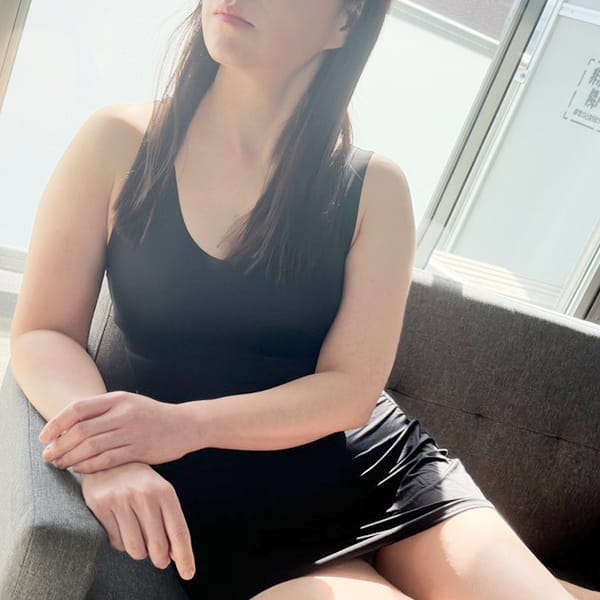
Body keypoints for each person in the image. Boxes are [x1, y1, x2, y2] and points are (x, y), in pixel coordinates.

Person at [9, 1, 594, 598]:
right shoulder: (120, 142)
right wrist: (107, 454)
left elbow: (351, 390)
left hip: (378, 474)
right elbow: (43, 332)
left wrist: (178, 426)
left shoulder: (374, 189)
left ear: (345, 22)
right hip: (236, 515)